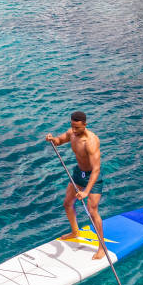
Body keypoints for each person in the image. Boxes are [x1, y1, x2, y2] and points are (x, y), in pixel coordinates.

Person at [45, 111, 106, 260]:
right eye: (72, 126)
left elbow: (96, 169)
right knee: (67, 204)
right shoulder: (71, 133)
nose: (74, 130)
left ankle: (102, 247)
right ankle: (75, 232)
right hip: (79, 173)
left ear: (85, 125)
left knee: (92, 210)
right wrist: (53, 139)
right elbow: (60, 141)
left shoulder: (91, 141)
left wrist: (86, 192)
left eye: (77, 127)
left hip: (93, 176)